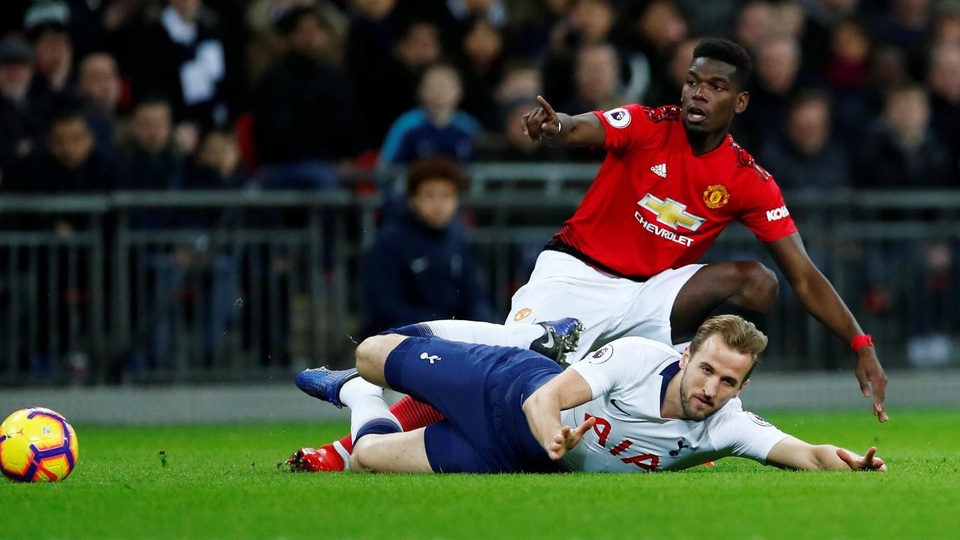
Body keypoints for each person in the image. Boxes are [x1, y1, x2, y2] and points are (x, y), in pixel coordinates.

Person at [293, 36, 888, 474]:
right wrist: (556, 127)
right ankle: (356, 418)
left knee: (758, 282)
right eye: (692, 82)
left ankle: (683, 415)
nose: (698, 95)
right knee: (508, 372)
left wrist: (860, 344)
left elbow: (804, 276)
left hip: (651, 293)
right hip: (576, 276)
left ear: (741, 101)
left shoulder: (746, 178)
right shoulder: (651, 123)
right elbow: (588, 127)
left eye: (715, 87)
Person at [290, 315, 886, 474]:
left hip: (516, 459)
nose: (710, 389)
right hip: (503, 387)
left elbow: (806, 453)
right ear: (686, 355)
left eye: (728, 382)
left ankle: (356, 399)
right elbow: (542, 401)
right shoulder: (634, 358)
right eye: (705, 369)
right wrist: (555, 435)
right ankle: (382, 367)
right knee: (372, 351)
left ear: (742, 387)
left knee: (368, 458)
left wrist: (854, 464)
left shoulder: (724, 425)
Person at [360, 156, 495, 338]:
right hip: (402, 341)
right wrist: (442, 328)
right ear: (412, 200)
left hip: (451, 338)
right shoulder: (389, 242)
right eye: (429, 195)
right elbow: (385, 307)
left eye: (446, 195)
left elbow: (474, 297)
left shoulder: (458, 241)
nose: (438, 205)